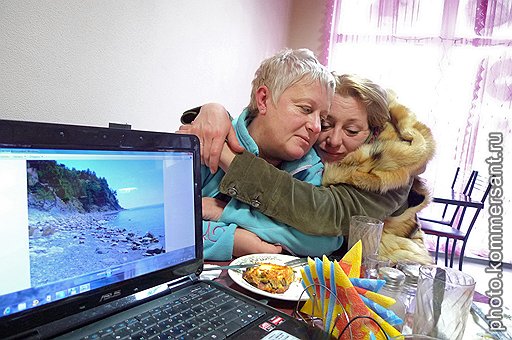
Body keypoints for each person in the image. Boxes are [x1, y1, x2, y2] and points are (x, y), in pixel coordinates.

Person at [180, 73, 435, 264]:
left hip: (390, 268)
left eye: (352, 131)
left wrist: (226, 210)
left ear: (373, 134)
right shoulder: (304, 157)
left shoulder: (387, 173)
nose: (334, 141)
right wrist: (212, 111)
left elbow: (321, 217)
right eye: (325, 123)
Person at [188, 48, 348, 261]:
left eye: (323, 118)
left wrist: (225, 212)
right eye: (306, 109)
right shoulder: (210, 140)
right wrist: (233, 240)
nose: (317, 127)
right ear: (263, 100)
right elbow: (167, 227)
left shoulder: (310, 167)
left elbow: (323, 241)